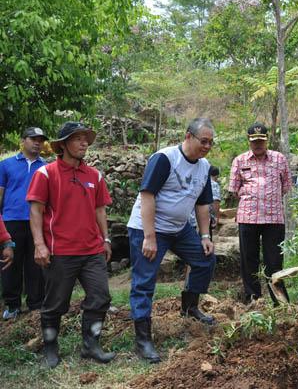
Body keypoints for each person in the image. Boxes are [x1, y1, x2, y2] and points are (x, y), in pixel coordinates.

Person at [127, 118, 217, 364]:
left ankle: (190, 308)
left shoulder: (204, 166)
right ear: (188, 136)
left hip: (179, 228)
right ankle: (143, 339)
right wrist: (149, 236)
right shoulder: (165, 159)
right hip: (148, 227)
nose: (207, 146)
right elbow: (147, 196)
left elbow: (202, 203)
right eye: (204, 141)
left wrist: (205, 235)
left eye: (211, 142)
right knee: (144, 281)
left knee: (205, 259)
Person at [26, 122, 115, 368]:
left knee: (100, 297)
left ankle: (91, 345)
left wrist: (105, 239)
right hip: (60, 252)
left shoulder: (94, 175)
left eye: (86, 138)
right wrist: (39, 244)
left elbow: (100, 209)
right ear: (63, 144)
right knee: (55, 304)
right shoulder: (46, 174)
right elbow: (36, 210)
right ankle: (51, 349)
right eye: (77, 139)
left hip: (92, 251)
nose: (84, 143)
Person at [228, 122, 292, 305]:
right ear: (248, 140)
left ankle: (279, 302)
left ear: (267, 140)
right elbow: (234, 189)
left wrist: (268, 198)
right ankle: (253, 300)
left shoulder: (279, 159)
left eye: (261, 141)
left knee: (274, 262)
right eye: (254, 141)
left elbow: (286, 186)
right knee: (249, 261)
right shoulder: (239, 161)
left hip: (274, 218)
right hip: (248, 217)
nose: (258, 144)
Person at [0, 127, 47, 320]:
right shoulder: (6, 164)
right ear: (23, 140)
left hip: (37, 221)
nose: (37, 143)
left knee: (36, 264)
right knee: (10, 263)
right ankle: (12, 305)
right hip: (11, 220)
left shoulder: (46, 167)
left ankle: (35, 304)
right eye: (33, 139)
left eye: (40, 140)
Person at [208, 165, 221, 240]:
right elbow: (215, 201)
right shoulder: (214, 184)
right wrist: (216, 217)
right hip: (207, 217)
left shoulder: (201, 181)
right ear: (216, 176)